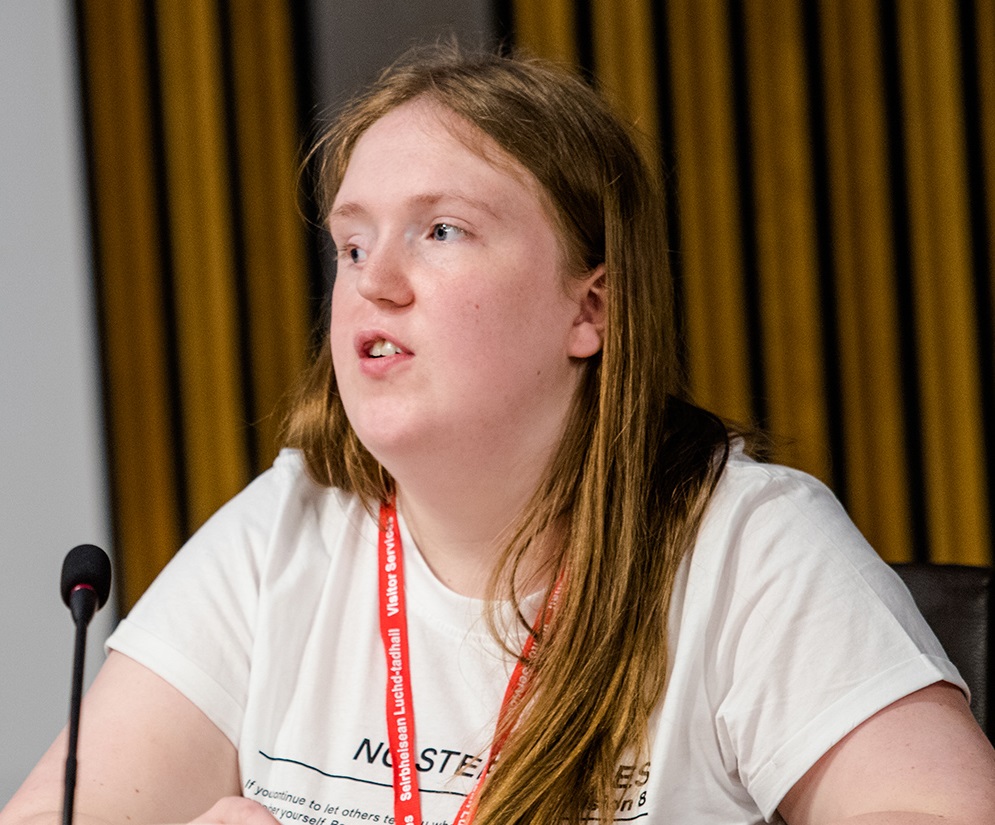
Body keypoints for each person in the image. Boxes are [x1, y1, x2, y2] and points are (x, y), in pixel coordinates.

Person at [3, 47, 995, 825]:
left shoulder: (743, 545)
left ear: (589, 309)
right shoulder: (287, 532)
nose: (373, 282)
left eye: (441, 231)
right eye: (352, 243)